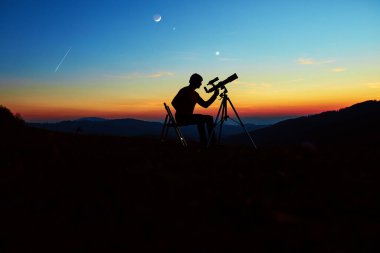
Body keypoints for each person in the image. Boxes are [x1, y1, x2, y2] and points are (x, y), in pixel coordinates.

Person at [171, 73, 219, 148]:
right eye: (199, 82)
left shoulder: (195, 94)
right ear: (194, 81)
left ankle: (211, 142)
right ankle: (205, 143)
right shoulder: (184, 90)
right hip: (181, 117)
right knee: (201, 119)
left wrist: (214, 95)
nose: (200, 84)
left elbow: (205, 105)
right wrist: (182, 112)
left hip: (189, 116)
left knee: (209, 118)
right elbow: (173, 102)